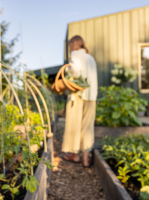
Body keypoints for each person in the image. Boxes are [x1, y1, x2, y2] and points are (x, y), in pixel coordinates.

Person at [61, 35, 98, 167]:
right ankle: (86, 159)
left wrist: (67, 70)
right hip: (91, 95)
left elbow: (75, 72)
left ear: (73, 45)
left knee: (75, 125)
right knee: (88, 127)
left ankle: (75, 155)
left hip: (78, 94)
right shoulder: (90, 57)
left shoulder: (75, 54)